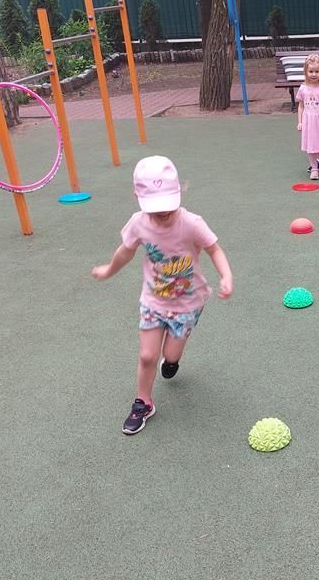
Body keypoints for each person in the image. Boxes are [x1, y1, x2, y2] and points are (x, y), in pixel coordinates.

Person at [91, 155, 233, 435]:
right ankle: (143, 402)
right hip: (153, 301)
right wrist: (108, 270)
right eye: (156, 208)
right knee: (147, 356)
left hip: (188, 303)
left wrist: (226, 276)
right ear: (138, 198)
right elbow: (126, 251)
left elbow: (214, 249)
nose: (163, 212)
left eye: (168, 204)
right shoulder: (139, 223)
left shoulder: (191, 223)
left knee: (169, 355)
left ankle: (173, 359)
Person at [297, 53, 319, 180]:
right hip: (308, 122)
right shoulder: (303, 88)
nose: (314, 74)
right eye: (311, 71)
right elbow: (301, 106)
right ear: (306, 72)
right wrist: (300, 122)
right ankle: (314, 168)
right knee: (311, 146)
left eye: (316, 71)